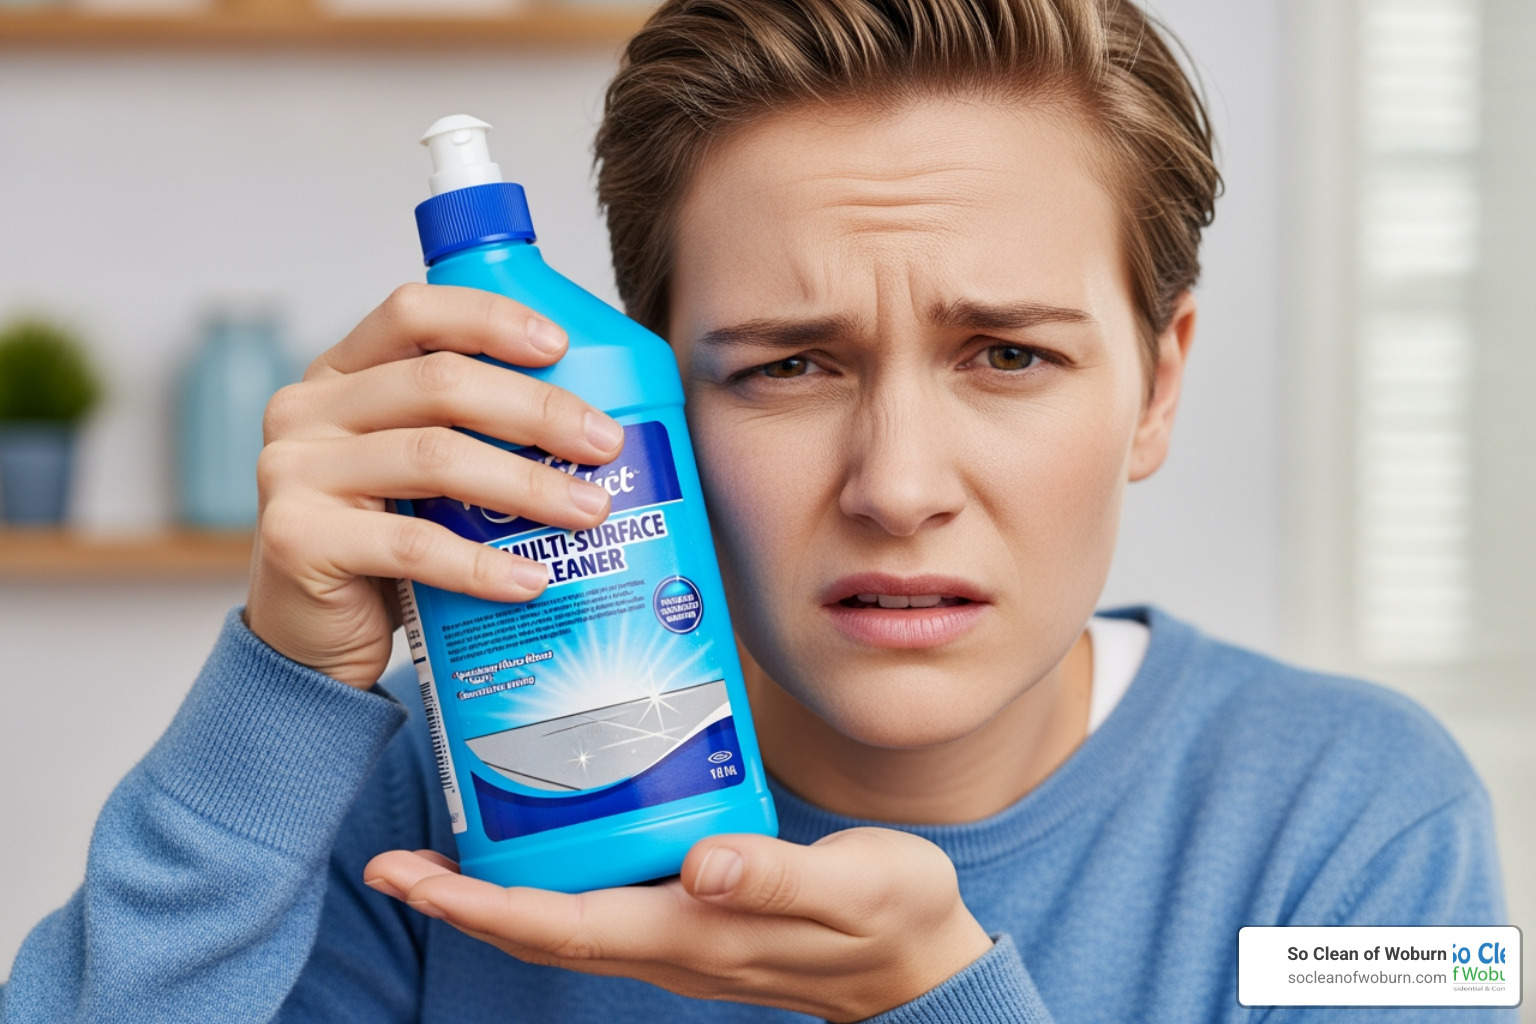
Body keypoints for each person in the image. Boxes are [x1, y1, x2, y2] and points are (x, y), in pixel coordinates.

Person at [1, 0, 1511, 1020]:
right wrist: (278, 699)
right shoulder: (441, 804)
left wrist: (936, 1004)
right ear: (643, 398)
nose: (899, 488)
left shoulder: (1364, 823)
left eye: (1008, 355)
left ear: (1158, 386)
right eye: (788, 365)